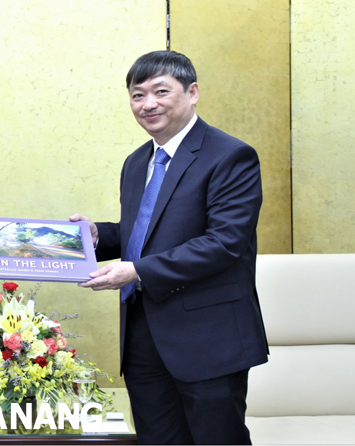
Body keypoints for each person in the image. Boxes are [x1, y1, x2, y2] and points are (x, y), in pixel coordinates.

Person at [71, 50, 268, 444]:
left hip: (208, 336)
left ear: (192, 92)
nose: (148, 104)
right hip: (143, 335)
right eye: (137, 95)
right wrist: (99, 236)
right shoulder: (137, 160)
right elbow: (147, 230)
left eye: (161, 91)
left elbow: (223, 243)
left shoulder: (230, 156)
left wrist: (137, 271)